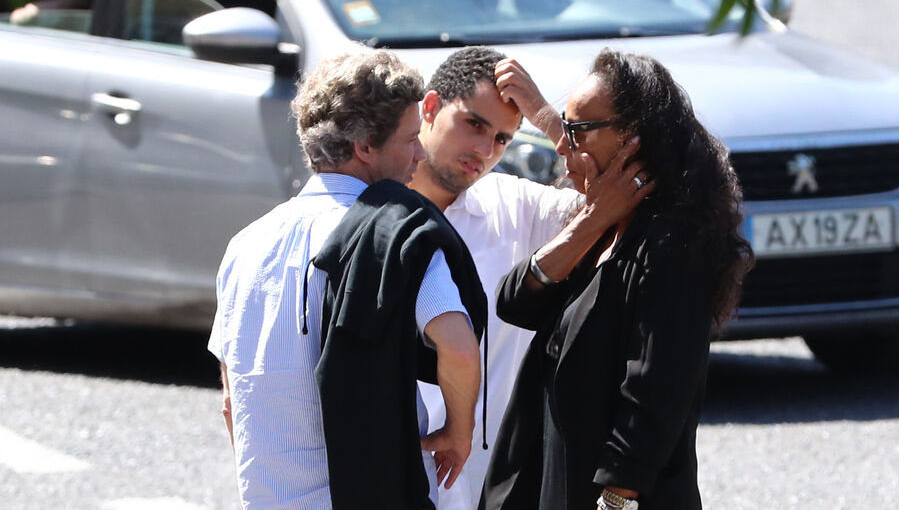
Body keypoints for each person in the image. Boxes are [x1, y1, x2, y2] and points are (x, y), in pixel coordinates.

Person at [207, 50, 484, 509]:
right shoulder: (396, 231)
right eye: (410, 139)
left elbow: (232, 400)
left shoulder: (243, 247)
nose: (419, 154)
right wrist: (459, 431)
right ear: (365, 147)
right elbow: (456, 345)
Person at [482, 49, 754, 510]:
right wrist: (592, 218)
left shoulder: (671, 245)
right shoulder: (600, 225)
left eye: (575, 131)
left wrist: (616, 501)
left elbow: (655, 394)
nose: (562, 146)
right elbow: (514, 302)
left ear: (632, 139)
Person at [411, 46, 643, 509]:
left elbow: (628, 193)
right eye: (474, 124)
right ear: (431, 107)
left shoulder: (515, 208)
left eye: (501, 139)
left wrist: (550, 121)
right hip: (397, 475)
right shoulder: (365, 213)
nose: (484, 150)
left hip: (494, 483)